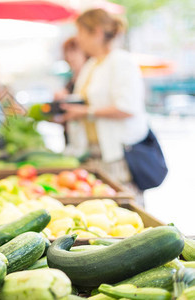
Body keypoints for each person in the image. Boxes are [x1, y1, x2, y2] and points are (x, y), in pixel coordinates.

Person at [60, 9, 149, 203]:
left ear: (97, 32)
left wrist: (85, 111)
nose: (78, 38)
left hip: (117, 155)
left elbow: (127, 107)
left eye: (81, 32)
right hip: (94, 154)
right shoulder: (92, 64)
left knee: (124, 207)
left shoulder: (121, 61)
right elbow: (85, 100)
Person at [54, 37, 89, 101]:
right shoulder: (71, 80)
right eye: (67, 52)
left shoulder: (91, 75)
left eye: (74, 51)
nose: (70, 57)